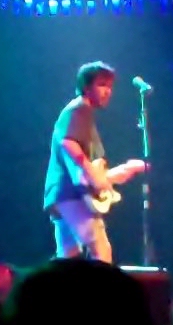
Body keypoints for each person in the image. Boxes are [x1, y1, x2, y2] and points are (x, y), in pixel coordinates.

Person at [42, 61, 145, 264]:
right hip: (71, 194)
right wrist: (94, 177)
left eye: (110, 86)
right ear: (86, 87)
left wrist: (124, 170)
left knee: (68, 258)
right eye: (101, 85)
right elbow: (68, 144)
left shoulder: (82, 113)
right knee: (101, 251)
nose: (108, 91)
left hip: (62, 194)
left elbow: (89, 169)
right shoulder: (80, 108)